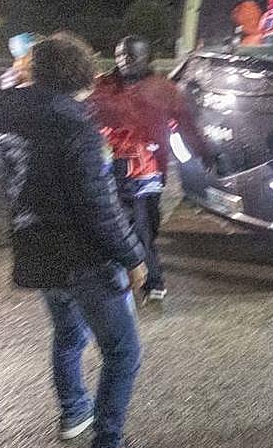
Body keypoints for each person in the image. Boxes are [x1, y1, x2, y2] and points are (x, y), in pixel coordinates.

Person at [0, 32, 167, 448]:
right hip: (84, 256)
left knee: (68, 334)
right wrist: (135, 258)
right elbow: (99, 206)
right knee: (122, 351)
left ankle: (74, 412)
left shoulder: (5, 118)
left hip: (39, 249)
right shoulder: (75, 127)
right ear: (82, 75)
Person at [89, 35, 210, 301]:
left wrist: (204, 154)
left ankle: (149, 277)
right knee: (119, 223)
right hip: (110, 169)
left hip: (149, 168)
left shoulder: (164, 90)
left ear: (146, 58)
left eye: (131, 55)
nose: (124, 60)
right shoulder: (102, 87)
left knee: (146, 225)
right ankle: (144, 278)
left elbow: (185, 126)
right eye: (119, 54)